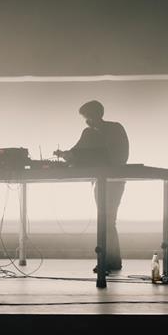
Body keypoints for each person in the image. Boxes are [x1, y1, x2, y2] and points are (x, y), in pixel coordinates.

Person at [54, 100, 129, 272]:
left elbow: (117, 156)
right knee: (108, 221)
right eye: (85, 118)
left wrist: (72, 156)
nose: (87, 121)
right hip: (104, 180)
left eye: (88, 117)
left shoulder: (110, 129)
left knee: (107, 220)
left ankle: (107, 261)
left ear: (96, 115)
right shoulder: (93, 132)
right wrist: (65, 155)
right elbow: (77, 152)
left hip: (113, 180)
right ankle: (112, 261)